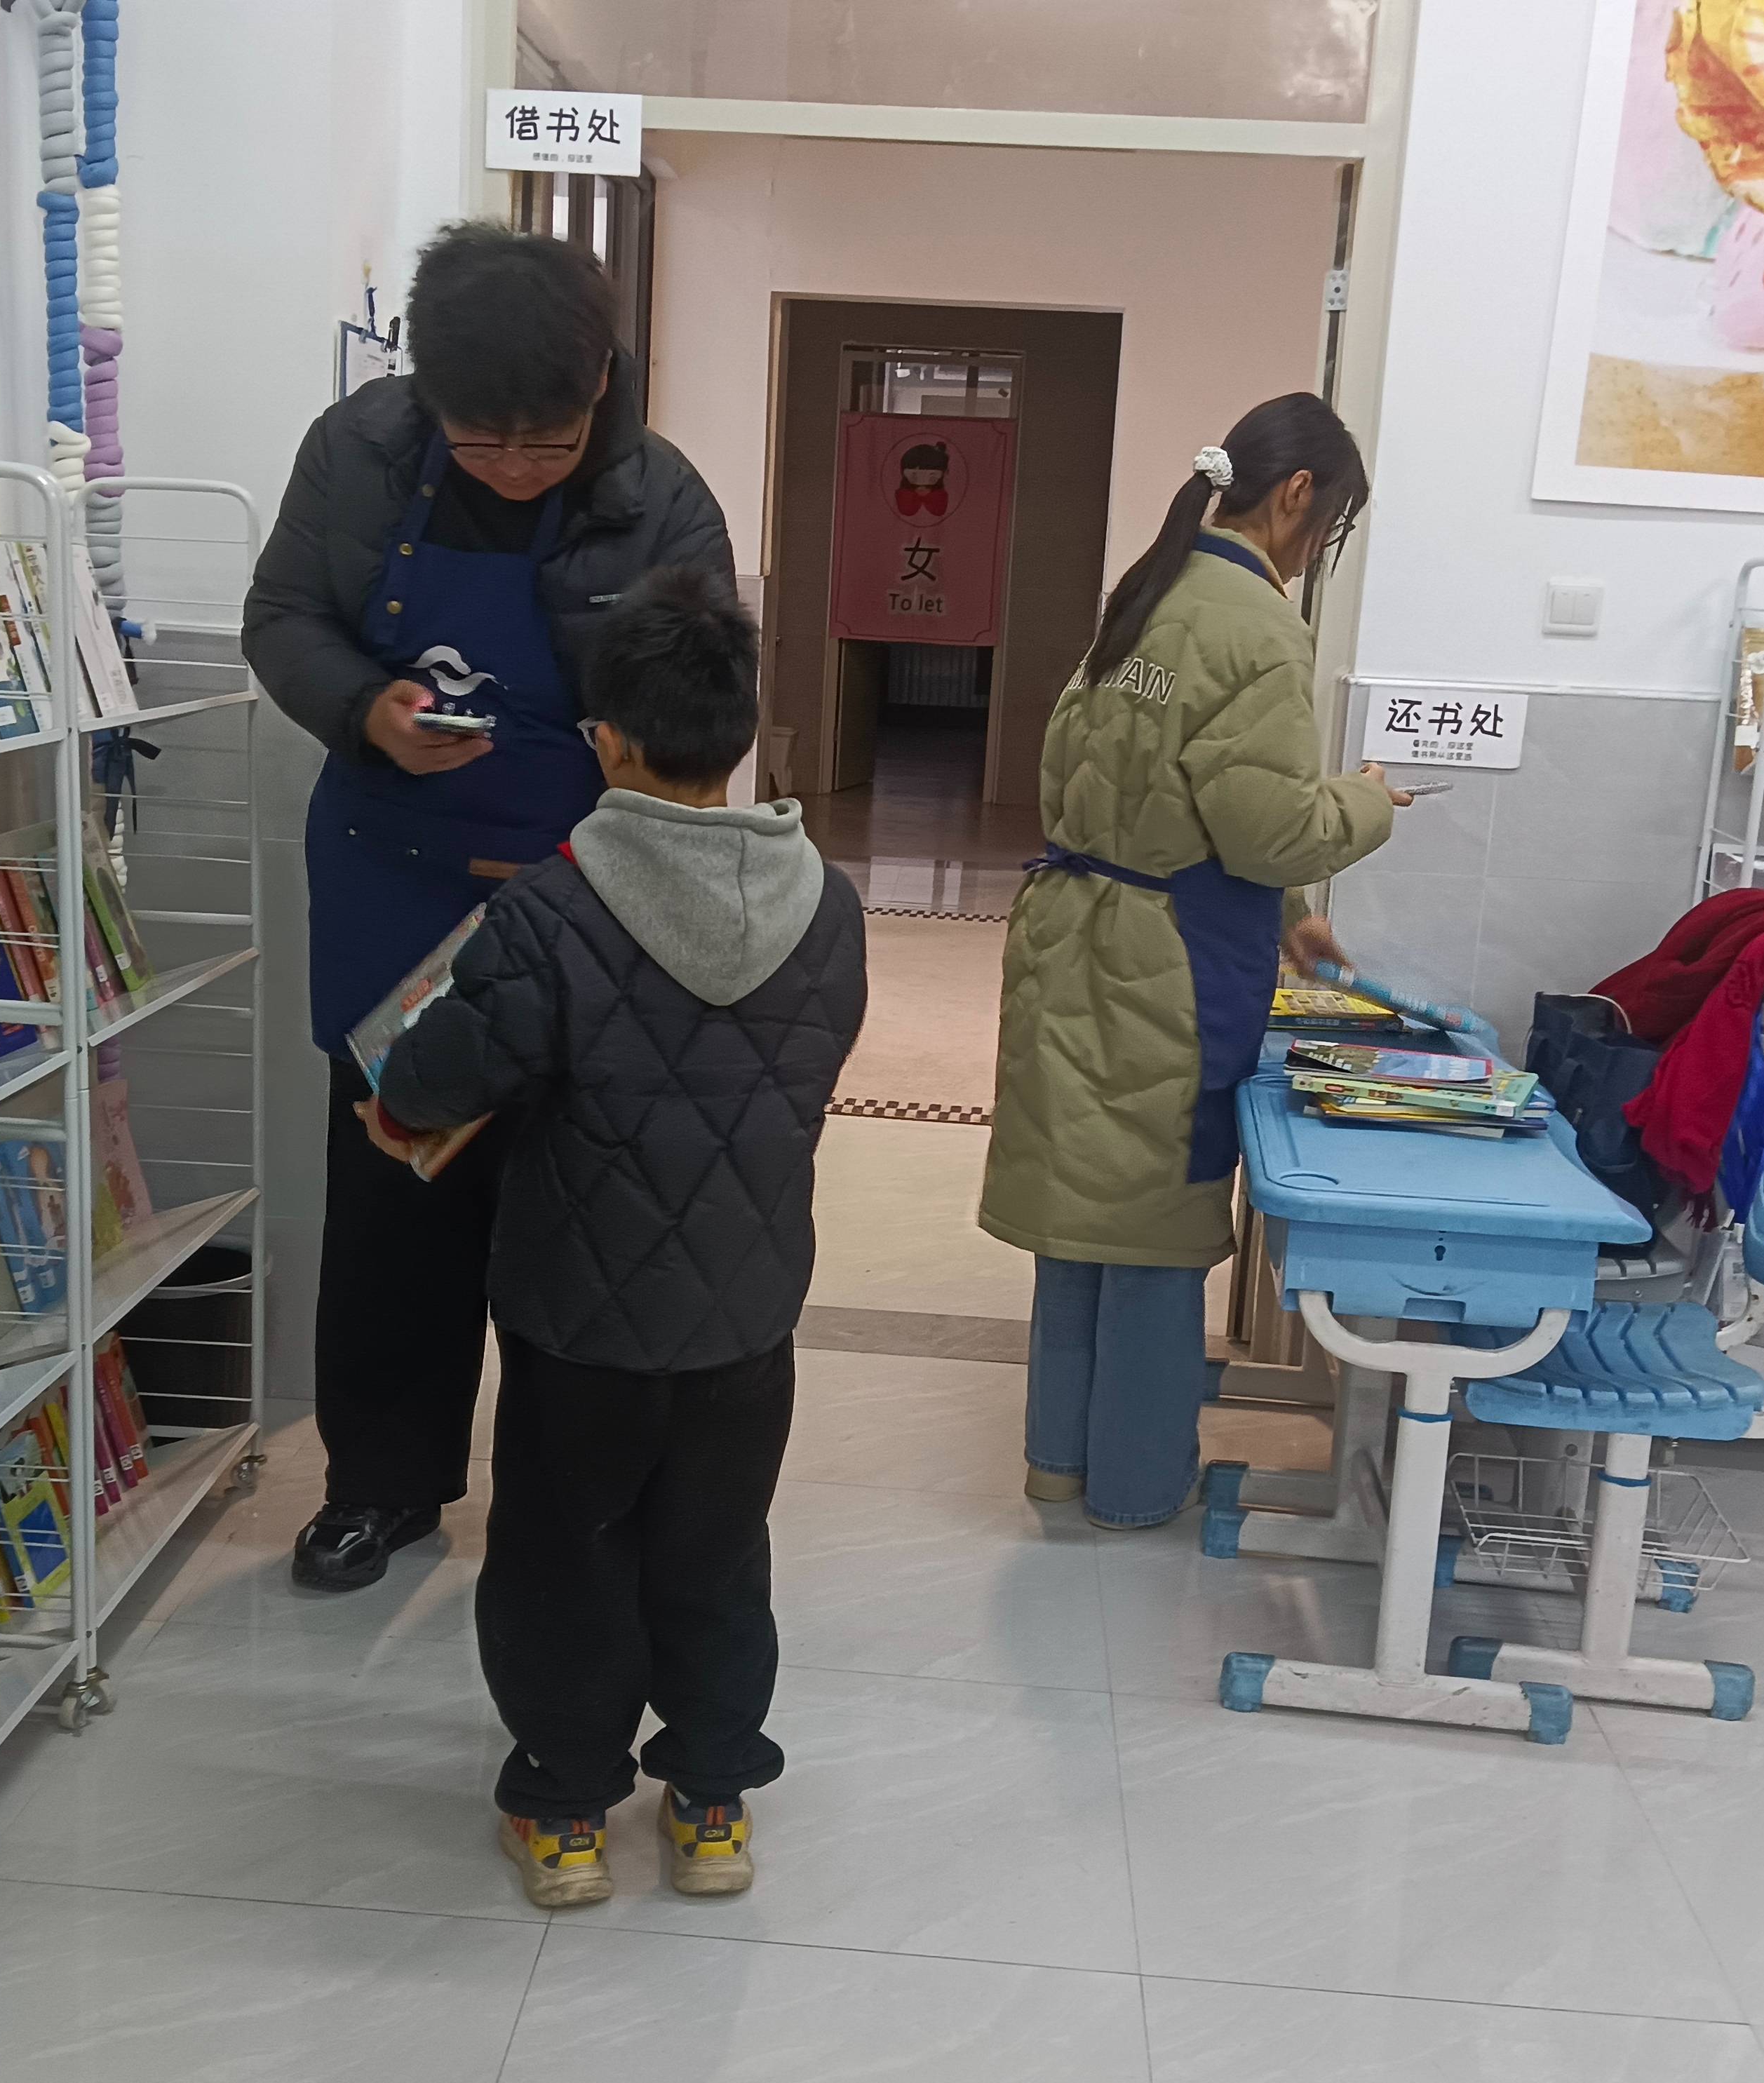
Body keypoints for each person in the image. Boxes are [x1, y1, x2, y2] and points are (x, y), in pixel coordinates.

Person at [243, 222, 735, 1596]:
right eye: (483, 441)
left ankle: (576, 1499)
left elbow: (707, 700)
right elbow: (283, 616)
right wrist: (367, 709)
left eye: (548, 441)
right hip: (394, 881)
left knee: (580, 1211)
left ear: (602, 384)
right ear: (427, 391)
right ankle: (379, 1485)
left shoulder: (663, 498)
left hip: (586, 899)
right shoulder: (355, 455)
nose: (517, 465)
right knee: (393, 1197)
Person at [362, 567, 866, 1907]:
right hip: (747, 1312)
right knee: (719, 1551)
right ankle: (711, 1804)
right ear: (739, 735)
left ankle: (568, 1808)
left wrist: (400, 1104)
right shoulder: (831, 908)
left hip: (579, 1318)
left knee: (565, 1554)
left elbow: (433, 1084)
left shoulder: (550, 912)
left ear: (611, 743)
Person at [979, 393, 1410, 1528]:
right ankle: (1135, 1488)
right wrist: (1368, 805)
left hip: (1075, 935)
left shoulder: (1148, 590)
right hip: (1161, 966)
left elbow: (1145, 792)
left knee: (1080, 1225)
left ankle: (1058, 1464)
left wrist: (1287, 918)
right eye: (1332, 527)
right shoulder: (1256, 626)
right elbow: (1267, 830)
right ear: (1298, 495)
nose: (1319, 553)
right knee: (1154, 1240)